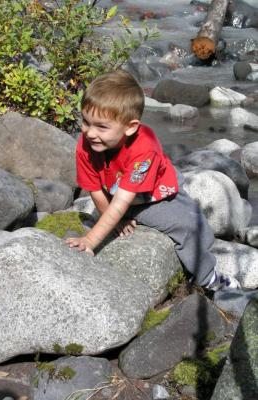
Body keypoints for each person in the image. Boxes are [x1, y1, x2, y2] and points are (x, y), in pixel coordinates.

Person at [66, 70, 239, 290]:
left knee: (188, 208)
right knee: (190, 226)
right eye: (86, 122)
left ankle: (202, 257)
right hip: (134, 194)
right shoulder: (86, 145)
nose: (90, 133)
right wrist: (100, 233)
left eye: (101, 127)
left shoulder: (144, 148)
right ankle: (207, 276)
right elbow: (96, 190)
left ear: (131, 127)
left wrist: (103, 227)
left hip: (146, 189)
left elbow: (116, 197)